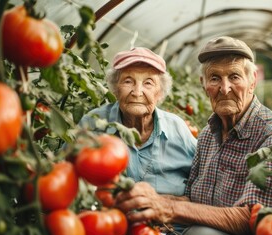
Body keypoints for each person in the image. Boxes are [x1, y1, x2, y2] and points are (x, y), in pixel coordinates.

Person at [115, 36, 272, 235]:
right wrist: (145, 202)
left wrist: (168, 208)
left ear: (252, 81)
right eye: (215, 78)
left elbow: (261, 221)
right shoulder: (207, 135)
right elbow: (194, 202)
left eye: (235, 77)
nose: (225, 88)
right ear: (204, 84)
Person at [78, 47, 197, 199]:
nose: (137, 92)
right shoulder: (93, 123)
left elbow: (202, 182)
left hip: (170, 221)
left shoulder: (177, 128)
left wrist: (175, 203)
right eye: (128, 81)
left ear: (160, 93)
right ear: (115, 88)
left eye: (148, 83)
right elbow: (69, 175)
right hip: (109, 219)